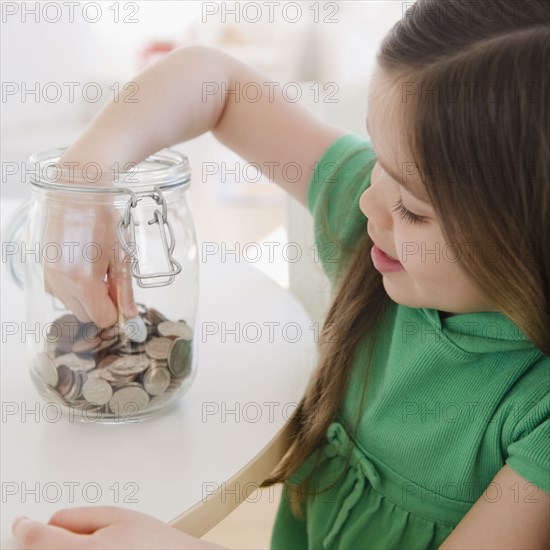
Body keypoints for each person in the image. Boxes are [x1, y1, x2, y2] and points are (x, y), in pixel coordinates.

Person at [12, 0, 550, 548]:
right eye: (378, 160)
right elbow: (212, 80)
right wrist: (83, 182)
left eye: (412, 207)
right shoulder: (380, 222)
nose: (367, 199)